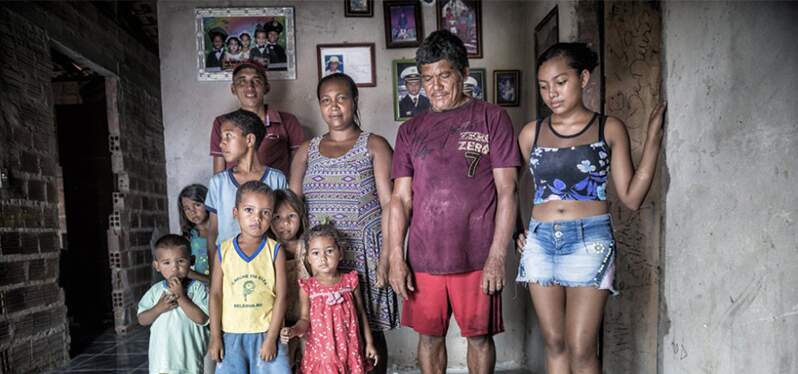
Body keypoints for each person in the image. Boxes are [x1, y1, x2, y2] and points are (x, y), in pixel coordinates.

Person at [515, 42, 665, 374]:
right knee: (554, 343)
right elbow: (506, 188)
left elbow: (631, 197)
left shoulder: (607, 128)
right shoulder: (531, 134)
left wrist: (653, 141)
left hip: (591, 241)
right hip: (540, 242)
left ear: (583, 78)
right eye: (543, 86)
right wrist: (517, 232)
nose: (551, 93)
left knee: (581, 347)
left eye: (560, 82)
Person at [388, 30, 520, 373]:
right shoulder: (410, 131)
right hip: (423, 257)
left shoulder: (492, 118)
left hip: (476, 256)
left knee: (479, 338)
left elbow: (508, 190)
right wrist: (394, 257)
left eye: (444, 75)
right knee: (429, 338)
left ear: (463, 73)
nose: (436, 86)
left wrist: (497, 255)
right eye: (427, 78)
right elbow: (400, 199)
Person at [289, 73, 398, 373]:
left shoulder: (374, 145)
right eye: (326, 100)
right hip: (319, 258)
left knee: (367, 332)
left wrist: (389, 255)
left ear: (354, 100)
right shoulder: (306, 151)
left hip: (364, 256)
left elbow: (391, 205)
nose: (334, 107)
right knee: (321, 332)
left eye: (341, 98)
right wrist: (300, 258)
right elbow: (292, 209)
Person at [207, 181, 289, 373]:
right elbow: (216, 294)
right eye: (249, 210)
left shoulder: (275, 250)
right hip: (231, 336)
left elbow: (282, 296)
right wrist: (216, 337)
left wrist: (271, 338)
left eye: (265, 212)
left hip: (266, 333)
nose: (257, 218)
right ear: (236, 213)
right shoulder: (224, 251)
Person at [280, 224, 379, 373]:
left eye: (329, 251)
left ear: (340, 254)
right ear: (309, 258)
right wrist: (294, 330)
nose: (323, 258)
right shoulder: (308, 287)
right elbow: (305, 319)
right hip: (322, 354)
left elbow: (361, 314)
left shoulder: (350, 281)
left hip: (349, 349)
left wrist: (369, 342)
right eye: (316, 253)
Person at [205, 109, 287, 270]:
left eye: (228, 136)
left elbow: (282, 228)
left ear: (249, 139)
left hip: (265, 265)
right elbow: (213, 232)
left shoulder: (277, 179)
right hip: (228, 266)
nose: (221, 143)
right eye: (221, 138)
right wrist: (215, 274)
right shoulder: (218, 182)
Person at [210, 63, 305, 175]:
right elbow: (218, 175)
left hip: (276, 190)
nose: (250, 87)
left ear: (267, 88)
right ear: (233, 89)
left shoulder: (288, 121)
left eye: (256, 81)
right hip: (235, 191)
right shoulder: (222, 123)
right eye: (242, 81)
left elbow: (299, 168)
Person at [137, 234, 209, 374]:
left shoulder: (197, 289)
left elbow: (202, 319)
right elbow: (142, 319)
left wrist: (181, 296)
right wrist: (158, 308)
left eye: (180, 261)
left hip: (189, 362)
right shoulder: (156, 291)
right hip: (161, 363)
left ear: (191, 261)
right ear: (156, 266)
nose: (174, 268)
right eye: (166, 263)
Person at [270, 189, 311, 371]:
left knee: (307, 361)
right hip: (279, 318)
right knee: (284, 363)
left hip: (307, 316)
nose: (284, 223)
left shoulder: (307, 247)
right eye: (277, 217)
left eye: (291, 216)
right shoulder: (267, 249)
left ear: (301, 217)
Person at [178, 184, 211, 283]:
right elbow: (183, 270)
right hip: (197, 290)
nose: (192, 212)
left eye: (197, 205)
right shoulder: (188, 238)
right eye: (187, 208)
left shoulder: (222, 233)